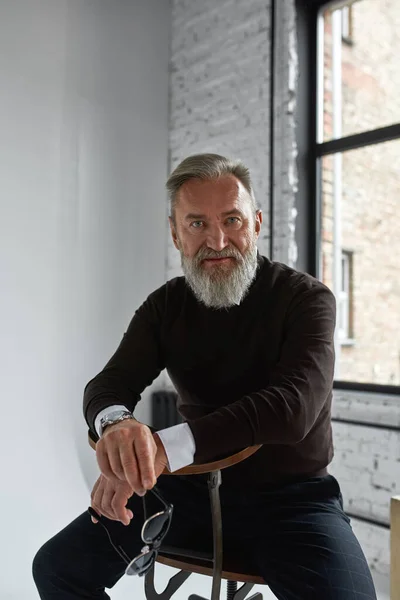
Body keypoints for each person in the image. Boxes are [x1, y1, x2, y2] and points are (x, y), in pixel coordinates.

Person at [33, 154, 377, 599]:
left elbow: (292, 409)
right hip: (188, 494)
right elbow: (108, 385)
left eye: (231, 219)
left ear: (255, 224)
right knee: (57, 568)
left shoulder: (307, 299)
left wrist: (160, 449)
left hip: (293, 501)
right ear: (176, 234)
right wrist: (119, 431)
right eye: (196, 224)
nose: (217, 240)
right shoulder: (164, 306)